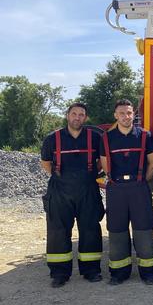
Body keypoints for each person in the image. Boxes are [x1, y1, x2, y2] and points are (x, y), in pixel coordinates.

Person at [40, 102, 105, 287]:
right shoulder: (52, 139)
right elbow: (46, 164)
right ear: (68, 115)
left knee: (90, 229)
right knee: (58, 232)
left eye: (81, 114)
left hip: (88, 190)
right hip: (60, 191)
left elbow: (101, 162)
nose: (77, 117)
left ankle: (91, 270)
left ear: (85, 118)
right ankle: (59, 273)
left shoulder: (95, 138)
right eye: (74, 114)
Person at [100, 99, 153, 285]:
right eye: (122, 113)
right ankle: (119, 273)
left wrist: (142, 181)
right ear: (115, 115)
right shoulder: (107, 138)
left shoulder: (144, 136)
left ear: (134, 114)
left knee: (144, 229)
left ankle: (148, 273)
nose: (126, 116)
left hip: (139, 188)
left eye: (129, 113)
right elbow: (105, 164)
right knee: (117, 230)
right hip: (116, 190)